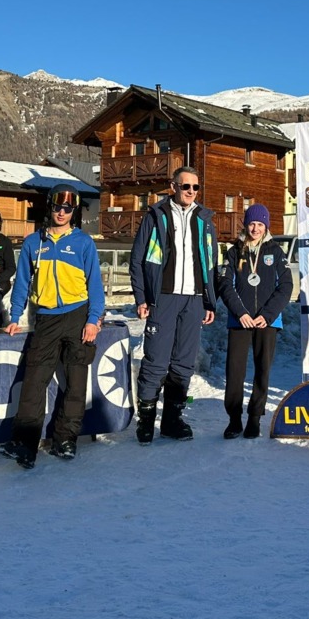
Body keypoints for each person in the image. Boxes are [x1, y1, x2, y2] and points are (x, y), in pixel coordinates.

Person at [0, 185, 105, 468]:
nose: (61, 213)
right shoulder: (35, 242)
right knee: (34, 382)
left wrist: (94, 319)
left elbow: (95, 285)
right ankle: (24, 444)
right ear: (50, 207)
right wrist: (15, 316)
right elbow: (22, 282)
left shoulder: (83, 242)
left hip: (77, 316)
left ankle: (65, 439)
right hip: (45, 318)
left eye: (67, 209)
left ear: (73, 212)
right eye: (58, 207)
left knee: (75, 382)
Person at [129, 167, 218, 445]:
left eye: (195, 187)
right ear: (173, 187)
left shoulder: (204, 220)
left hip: (193, 299)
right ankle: (145, 422)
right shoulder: (156, 216)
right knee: (156, 360)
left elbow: (211, 264)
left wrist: (209, 300)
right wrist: (142, 297)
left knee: (183, 363)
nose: (191, 192)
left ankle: (172, 420)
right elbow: (138, 259)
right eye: (185, 186)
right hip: (163, 297)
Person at [215, 204, 292, 439]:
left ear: (266, 225)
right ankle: (234, 419)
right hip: (241, 320)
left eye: (260, 224)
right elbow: (225, 285)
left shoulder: (275, 252)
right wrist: (241, 313)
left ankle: (255, 418)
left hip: (267, 321)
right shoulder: (234, 251)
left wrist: (266, 315)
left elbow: (286, 286)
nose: (255, 228)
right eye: (251, 223)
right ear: (245, 224)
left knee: (263, 370)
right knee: (235, 371)